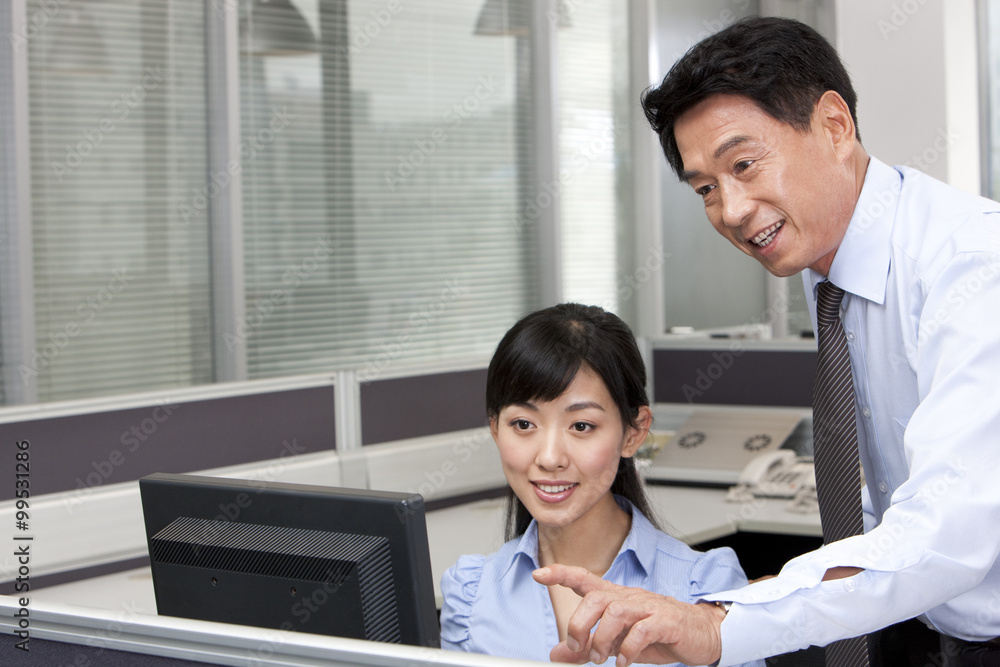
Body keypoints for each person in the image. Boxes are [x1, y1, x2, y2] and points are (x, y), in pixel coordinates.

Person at [532, 15, 1000, 667]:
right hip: (919, 624)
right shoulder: (828, 268)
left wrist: (723, 624)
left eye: (745, 165)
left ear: (833, 126)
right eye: (706, 188)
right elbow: (881, 506)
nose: (730, 209)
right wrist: (730, 606)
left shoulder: (972, 265)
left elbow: (948, 535)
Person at [439, 303, 765, 667]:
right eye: (523, 424)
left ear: (634, 432)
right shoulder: (471, 593)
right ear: (495, 429)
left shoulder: (704, 592)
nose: (550, 457)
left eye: (581, 426)